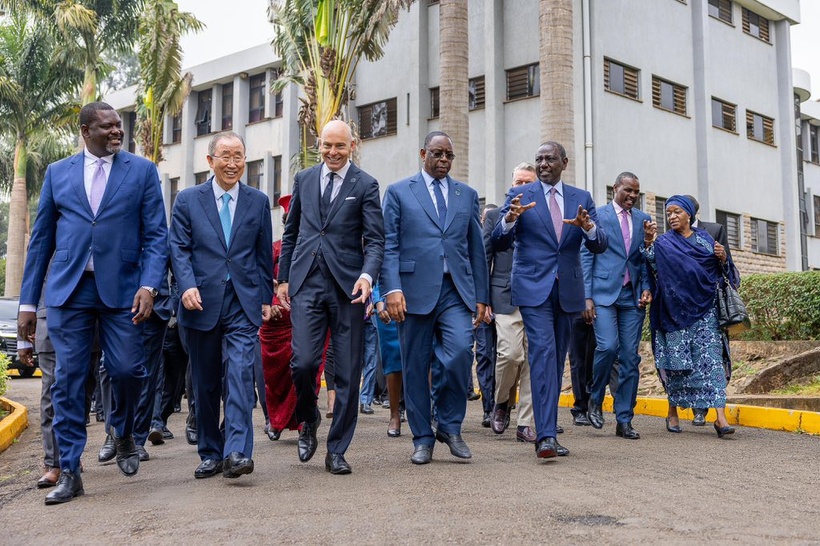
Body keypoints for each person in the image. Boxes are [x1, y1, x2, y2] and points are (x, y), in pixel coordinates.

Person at [18, 102, 168, 504]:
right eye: (107, 127)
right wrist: (28, 303)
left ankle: (123, 431)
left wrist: (150, 285)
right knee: (68, 381)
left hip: (124, 290)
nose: (117, 131)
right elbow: (40, 242)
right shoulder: (58, 173)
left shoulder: (142, 171)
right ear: (86, 131)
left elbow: (157, 234)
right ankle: (70, 471)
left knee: (128, 370)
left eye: (119, 125)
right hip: (69, 291)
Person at [277, 119, 384, 475]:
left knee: (348, 374)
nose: (333, 152)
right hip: (306, 281)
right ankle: (308, 419)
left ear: (352, 146)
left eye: (340, 146)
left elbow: (376, 240)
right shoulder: (304, 179)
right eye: (327, 145)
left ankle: (337, 449)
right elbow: (291, 232)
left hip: (348, 288)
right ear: (318, 145)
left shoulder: (366, 184)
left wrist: (367, 276)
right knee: (304, 363)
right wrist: (283, 279)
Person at [492, 141, 608, 460]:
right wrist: (509, 219)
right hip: (532, 287)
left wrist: (589, 227)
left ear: (564, 163)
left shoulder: (581, 198)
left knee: (556, 361)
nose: (543, 164)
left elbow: (600, 245)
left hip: (568, 288)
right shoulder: (520, 195)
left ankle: (548, 432)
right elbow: (498, 240)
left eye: (550, 159)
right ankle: (545, 437)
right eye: (539, 159)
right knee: (543, 352)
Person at [170, 130, 273, 480]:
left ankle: (237, 452)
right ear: (210, 161)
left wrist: (266, 298)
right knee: (206, 382)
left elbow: (262, 255)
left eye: (238, 156)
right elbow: (178, 248)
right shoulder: (188, 200)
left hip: (243, 301)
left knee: (241, 374)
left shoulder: (258, 201)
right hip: (200, 301)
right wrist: (186, 286)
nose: (232, 163)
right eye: (225, 156)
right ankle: (211, 452)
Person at [381, 131, 489, 465]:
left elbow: (476, 248)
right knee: (414, 366)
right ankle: (422, 438)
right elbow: (389, 245)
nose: (443, 160)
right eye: (437, 153)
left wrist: (482, 296)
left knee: (459, 352)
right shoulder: (399, 192)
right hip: (412, 292)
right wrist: (392, 289)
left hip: (455, 290)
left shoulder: (466, 194)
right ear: (423, 153)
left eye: (448, 155)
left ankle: (449, 425)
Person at [642, 195, 737, 437]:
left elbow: (723, 273)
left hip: (706, 312)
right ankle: (672, 412)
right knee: (677, 365)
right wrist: (648, 242)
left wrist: (723, 258)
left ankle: (720, 418)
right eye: (669, 213)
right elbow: (652, 267)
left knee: (712, 362)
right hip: (672, 313)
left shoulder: (705, 239)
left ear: (689, 215)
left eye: (677, 212)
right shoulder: (663, 243)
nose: (672, 217)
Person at [581, 172, 652, 439]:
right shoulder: (598, 215)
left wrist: (646, 287)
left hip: (632, 297)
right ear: (615, 188)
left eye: (636, 192)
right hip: (602, 294)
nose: (633, 196)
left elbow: (644, 259)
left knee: (630, 358)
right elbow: (586, 255)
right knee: (608, 347)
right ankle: (595, 398)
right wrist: (586, 296)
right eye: (628, 190)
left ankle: (624, 419)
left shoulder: (643, 219)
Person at [259, 194, 324, 441]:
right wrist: (270, 302)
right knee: (275, 375)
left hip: (309, 316)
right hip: (277, 319)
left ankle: (305, 420)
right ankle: (275, 420)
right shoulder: (275, 248)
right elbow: (263, 279)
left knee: (307, 370)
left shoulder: (316, 247)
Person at [483, 163, 537, 443]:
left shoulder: (542, 215)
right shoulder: (494, 216)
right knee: (511, 354)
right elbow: (485, 257)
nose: (522, 187)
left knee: (532, 360)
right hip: (503, 296)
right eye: (518, 182)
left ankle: (525, 423)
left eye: (528, 182)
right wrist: (482, 299)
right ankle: (502, 401)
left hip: (537, 297)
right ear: (511, 185)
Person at [685, 194, 735, 427]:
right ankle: (698, 409)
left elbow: (728, 266)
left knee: (713, 357)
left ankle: (716, 412)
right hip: (684, 307)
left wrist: (723, 259)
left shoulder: (714, 230)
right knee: (692, 357)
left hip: (710, 305)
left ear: (692, 212)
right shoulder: (672, 236)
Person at [474, 203, 498, 427]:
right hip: (482, 307)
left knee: (503, 357)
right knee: (483, 356)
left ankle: (500, 405)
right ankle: (487, 408)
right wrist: (483, 301)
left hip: (503, 303)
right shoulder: (476, 240)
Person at [373, 283, 404, 437]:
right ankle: (394, 414)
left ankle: (428, 414)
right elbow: (376, 273)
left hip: (420, 296)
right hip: (387, 298)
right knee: (392, 357)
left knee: (424, 357)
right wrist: (378, 301)